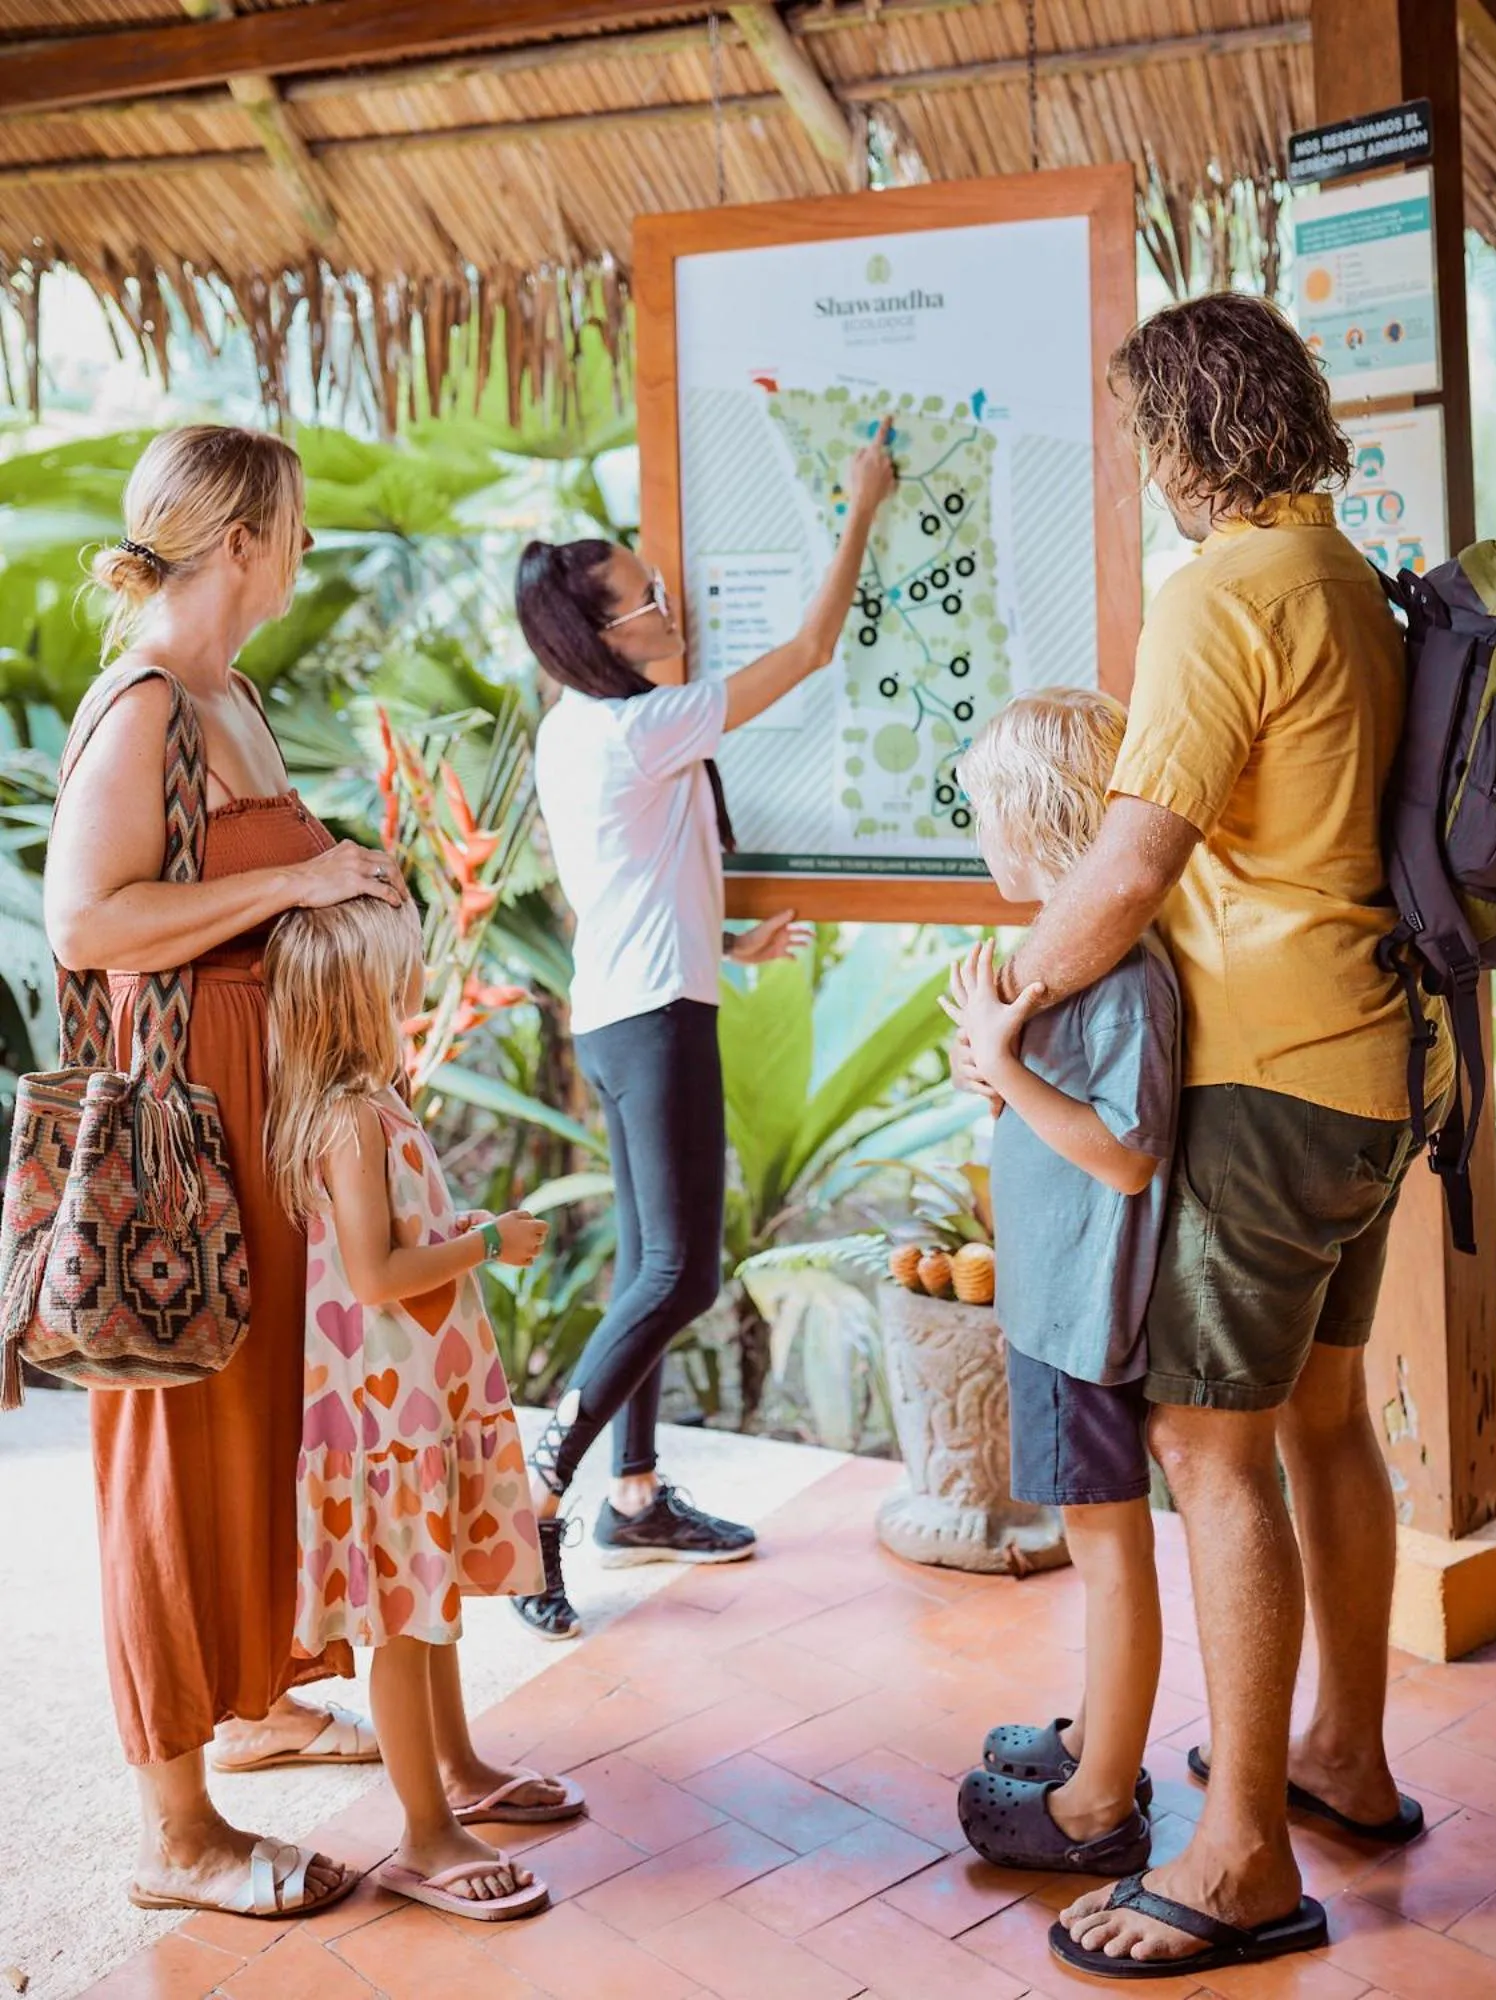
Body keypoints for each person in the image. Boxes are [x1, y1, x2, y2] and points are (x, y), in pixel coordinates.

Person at [955, 295, 1450, 1980]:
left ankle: (1240, 1855)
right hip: (1378, 1071)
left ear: (1183, 436)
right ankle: (1341, 1759)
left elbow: (1132, 858)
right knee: (1323, 1423)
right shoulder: (1348, 581)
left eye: (1142, 435)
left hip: (1256, 1073)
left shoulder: (1223, 592)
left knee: (1207, 1445)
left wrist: (1005, 1004)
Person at [44, 425, 407, 1918]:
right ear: (242, 540)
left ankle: (252, 1705)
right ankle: (177, 1834)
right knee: (173, 1461)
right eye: (297, 526)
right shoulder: (145, 708)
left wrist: (350, 883)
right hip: (181, 1145)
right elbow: (88, 926)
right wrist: (302, 880)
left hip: (265, 1122)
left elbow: (251, 896)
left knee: (260, 1427)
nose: (306, 550)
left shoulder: (230, 695)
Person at [510, 419, 898, 1638]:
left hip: (623, 1012)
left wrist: (725, 943)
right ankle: (536, 1490)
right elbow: (815, 646)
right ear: (601, 635)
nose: (669, 612)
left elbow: (626, 877)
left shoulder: (582, 728)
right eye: (646, 601)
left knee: (647, 1265)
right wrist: (863, 503)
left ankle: (631, 1494)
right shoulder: (641, 723)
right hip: (653, 1022)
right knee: (679, 1272)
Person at [265, 896, 583, 1921]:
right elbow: (374, 1271)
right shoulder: (351, 1118)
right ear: (359, 996)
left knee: (428, 1602)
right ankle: (421, 1830)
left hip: (416, 1398)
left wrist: (467, 1224)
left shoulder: (374, 1100)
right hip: (384, 1414)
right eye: (399, 973)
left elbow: (403, 1239)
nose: (416, 986)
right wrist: (490, 1245)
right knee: (406, 1617)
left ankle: (459, 1766)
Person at [943, 691, 1180, 1880]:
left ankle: (1098, 1800)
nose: (976, 830)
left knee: (1106, 1541)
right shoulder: (1074, 959)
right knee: (1098, 1537)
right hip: (1054, 1299)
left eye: (984, 808)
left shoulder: (1125, 974)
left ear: (1034, 817)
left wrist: (997, 1063)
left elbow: (1126, 1151)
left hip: (1082, 1311)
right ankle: (1099, 1733)